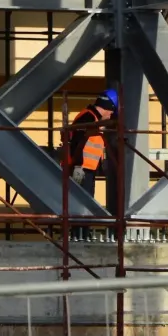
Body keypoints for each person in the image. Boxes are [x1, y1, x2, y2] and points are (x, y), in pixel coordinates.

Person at [66, 89, 117, 241]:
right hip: (82, 169)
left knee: (85, 203)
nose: (110, 115)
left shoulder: (91, 117)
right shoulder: (88, 117)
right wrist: (78, 165)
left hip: (87, 169)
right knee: (81, 203)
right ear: (107, 107)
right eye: (111, 112)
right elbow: (77, 142)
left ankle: (82, 233)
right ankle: (79, 234)